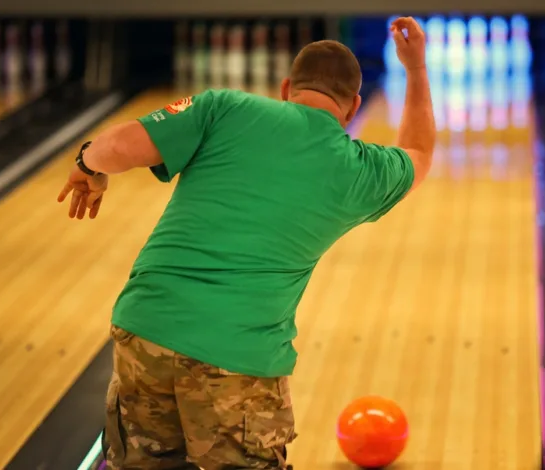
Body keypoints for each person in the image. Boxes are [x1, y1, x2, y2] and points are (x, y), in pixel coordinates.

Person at [57, 17, 435, 470]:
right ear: (354, 107)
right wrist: (414, 70)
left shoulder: (223, 107)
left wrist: (87, 163)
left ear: (285, 88)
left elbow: (115, 147)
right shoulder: (359, 170)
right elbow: (420, 153)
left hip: (145, 330)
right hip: (237, 360)